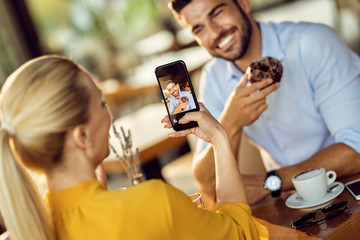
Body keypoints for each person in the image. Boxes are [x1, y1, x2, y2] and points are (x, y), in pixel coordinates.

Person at [0, 55, 268, 240]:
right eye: (102, 105)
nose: (109, 117)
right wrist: (220, 138)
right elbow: (240, 232)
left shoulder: (27, 228)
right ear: (81, 136)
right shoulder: (152, 202)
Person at [168, 0, 360, 204]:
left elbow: (356, 149)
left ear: (243, 3)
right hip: (289, 204)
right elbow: (209, 187)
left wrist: (269, 183)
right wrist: (230, 124)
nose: (215, 33)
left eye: (216, 13)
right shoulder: (214, 77)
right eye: (199, 29)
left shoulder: (313, 41)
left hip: (349, 186)